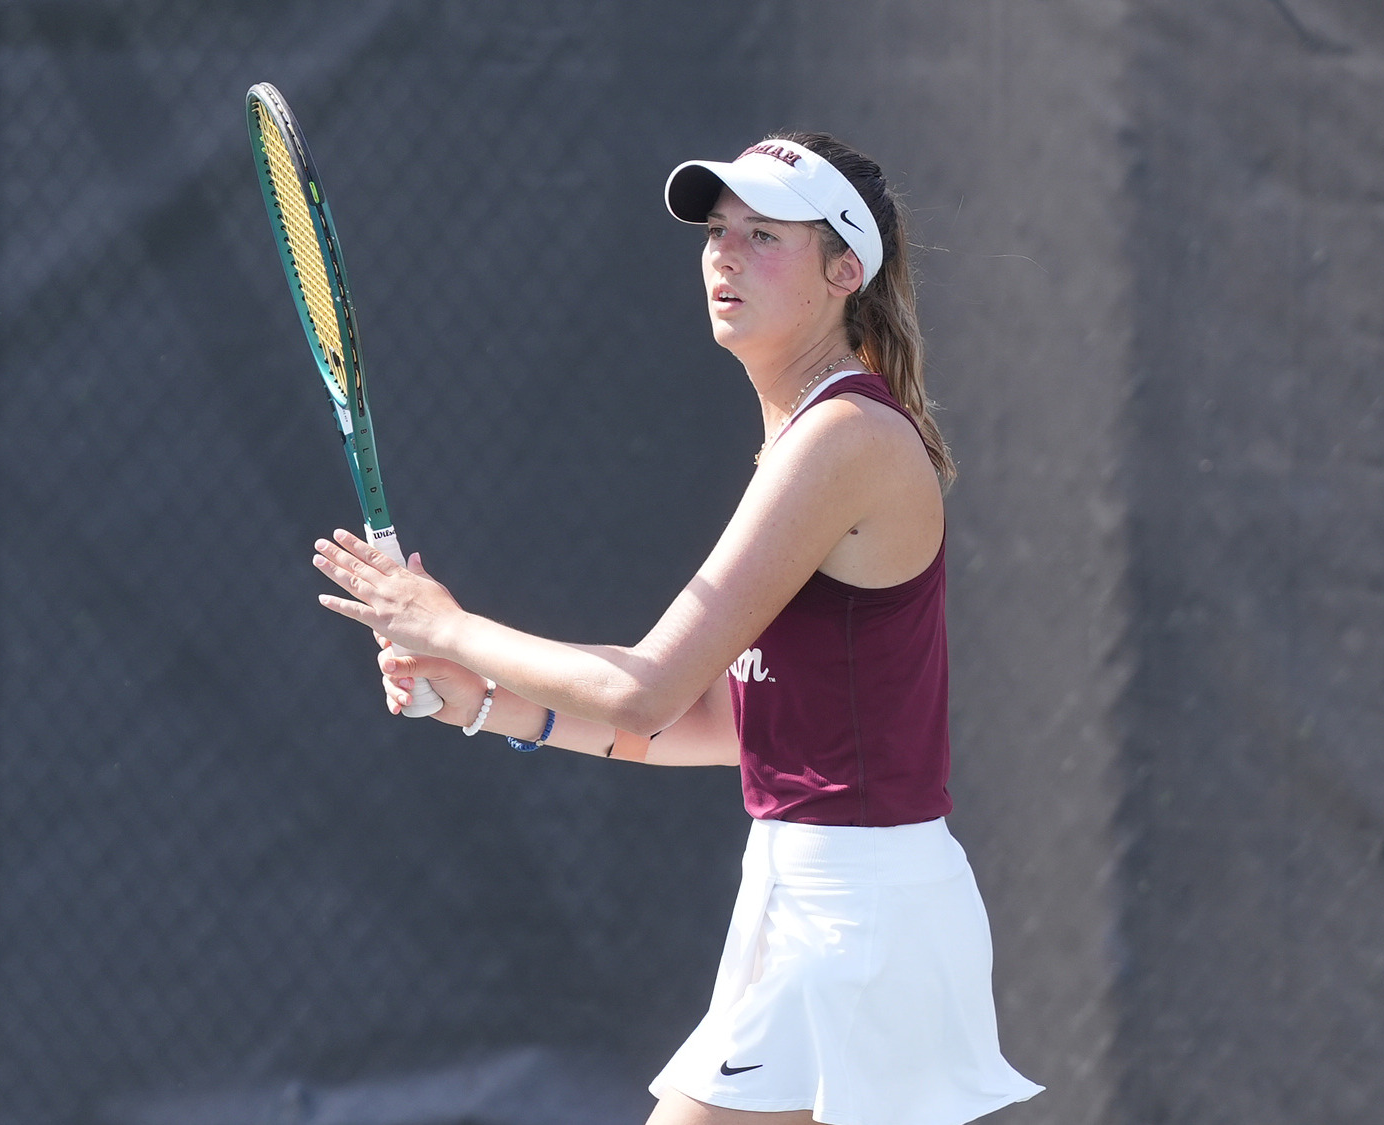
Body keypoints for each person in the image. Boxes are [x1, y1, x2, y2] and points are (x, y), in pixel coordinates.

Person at [311, 132, 1043, 1125]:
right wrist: (478, 703)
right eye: (715, 231)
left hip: (853, 917)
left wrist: (444, 623)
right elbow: (716, 724)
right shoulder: (806, 440)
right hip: (826, 906)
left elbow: (641, 689)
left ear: (844, 271)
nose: (724, 254)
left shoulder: (843, 440)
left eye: (762, 235)